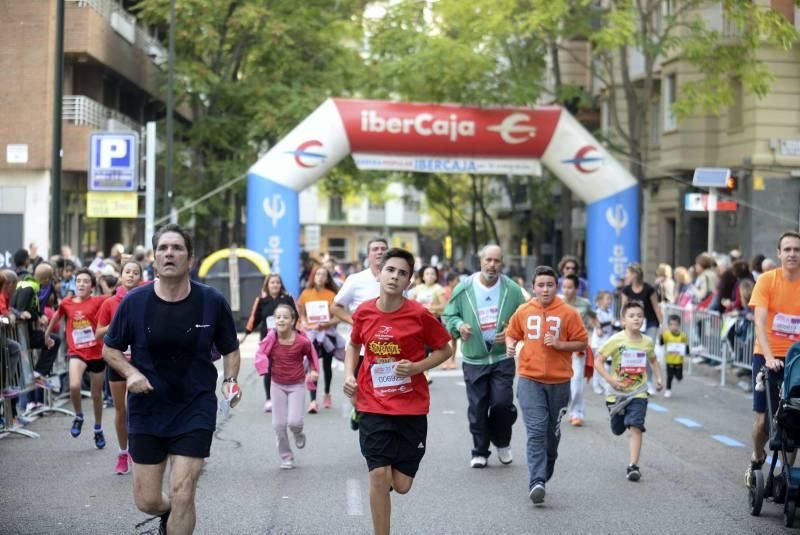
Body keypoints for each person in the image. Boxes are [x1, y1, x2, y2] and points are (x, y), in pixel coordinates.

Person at [102, 224, 240, 535]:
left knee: (183, 491)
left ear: (190, 259)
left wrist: (230, 381)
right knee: (148, 500)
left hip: (195, 405)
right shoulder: (134, 302)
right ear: (154, 258)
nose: (169, 253)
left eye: (177, 248)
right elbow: (109, 349)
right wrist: (131, 372)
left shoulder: (212, 301)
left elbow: (231, 349)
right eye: (163, 248)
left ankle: (178, 514)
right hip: (148, 407)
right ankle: (169, 515)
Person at [342, 247, 452, 535]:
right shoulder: (364, 312)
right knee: (378, 474)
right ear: (379, 273)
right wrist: (348, 375)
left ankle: (389, 477)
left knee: (401, 485)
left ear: (409, 282)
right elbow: (353, 344)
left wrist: (417, 368)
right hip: (372, 403)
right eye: (390, 270)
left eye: (402, 273)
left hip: (411, 407)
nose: (395, 277)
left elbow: (444, 349)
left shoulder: (419, 315)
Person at [504, 266, 588, 505]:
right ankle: (536, 480)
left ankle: (547, 465)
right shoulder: (523, 310)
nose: (545, 289)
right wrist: (510, 345)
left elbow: (582, 342)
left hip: (559, 382)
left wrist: (561, 344)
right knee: (536, 430)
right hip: (529, 379)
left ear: (556, 286)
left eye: (550, 285)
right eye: (540, 285)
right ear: (533, 287)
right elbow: (512, 333)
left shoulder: (568, 313)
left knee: (551, 435)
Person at [442, 245, 526, 468]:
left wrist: (510, 332)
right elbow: (448, 315)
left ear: (502, 263)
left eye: (497, 261)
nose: (492, 265)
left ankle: (503, 442)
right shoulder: (464, 288)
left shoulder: (512, 289)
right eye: (488, 260)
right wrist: (459, 325)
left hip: (502, 358)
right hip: (474, 359)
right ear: (480, 261)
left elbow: (525, 317)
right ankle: (479, 450)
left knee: (502, 404)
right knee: (478, 408)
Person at [744, 231, 800, 488]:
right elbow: (760, 321)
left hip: (796, 358)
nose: (792, 254)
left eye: (796, 250)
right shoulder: (767, 280)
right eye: (787, 249)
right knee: (764, 421)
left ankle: (785, 476)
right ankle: (757, 456)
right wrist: (767, 356)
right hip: (768, 354)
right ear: (778, 253)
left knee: (793, 419)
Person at [594, 300, 664, 482]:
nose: (636, 319)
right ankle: (618, 419)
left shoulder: (647, 342)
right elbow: (598, 361)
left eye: (639, 316)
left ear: (643, 320)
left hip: (638, 391)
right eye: (631, 316)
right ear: (623, 320)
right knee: (618, 429)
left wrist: (658, 378)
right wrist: (610, 379)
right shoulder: (616, 340)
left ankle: (633, 466)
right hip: (616, 393)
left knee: (636, 426)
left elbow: (654, 360)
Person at [43, 269, 109, 448]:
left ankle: (98, 428)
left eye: (86, 281)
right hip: (77, 351)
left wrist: (102, 281)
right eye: (78, 281)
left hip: (96, 352)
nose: (81, 284)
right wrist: (47, 335)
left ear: (92, 287)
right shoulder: (67, 303)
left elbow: (113, 298)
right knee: (74, 385)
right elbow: (56, 317)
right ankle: (78, 416)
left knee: (96, 395)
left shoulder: (97, 301)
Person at [254, 303, 319, 469]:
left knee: (294, 422)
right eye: (278, 317)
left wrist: (313, 371)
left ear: (292, 321)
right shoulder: (271, 339)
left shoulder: (301, 341)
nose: (281, 320)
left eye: (285, 317)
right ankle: (286, 457)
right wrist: (262, 366)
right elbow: (261, 352)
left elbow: (312, 355)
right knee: (278, 425)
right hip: (277, 385)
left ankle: (298, 433)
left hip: (296, 384)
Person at [333, 238, 388, 430]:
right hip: (360, 347)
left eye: (383, 248)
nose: (379, 252)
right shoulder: (356, 280)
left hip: (386, 349)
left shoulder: (395, 280)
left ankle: (375, 432)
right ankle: (357, 409)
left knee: (382, 393)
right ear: (369, 254)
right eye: (375, 249)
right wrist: (354, 322)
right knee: (356, 391)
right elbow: (336, 307)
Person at [95, 260, 143, 475]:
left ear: (140, 278)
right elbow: (98, 333)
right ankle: (123, 453)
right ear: (121, 277)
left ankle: (136, 450)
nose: (131, 275)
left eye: (135, 272)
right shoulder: (109, 303)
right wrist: (116, 326)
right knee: (121, 409)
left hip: (140, 361)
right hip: (116, 360)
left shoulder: (146, 300)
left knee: (132, 408)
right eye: (127, 272)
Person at [242, 274, 296, 412]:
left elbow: (296, 317)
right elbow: (254, 319)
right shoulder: (261, 300)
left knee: (285, 369)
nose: (275, 285)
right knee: (269, 369)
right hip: (268, 340)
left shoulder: (287, 299)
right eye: (272, 283)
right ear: (267, 285)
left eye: (278, 282)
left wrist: (297, 334)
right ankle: (269, 399)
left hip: (285, 340)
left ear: (281, 285)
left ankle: (285, 397)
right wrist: (245, 335)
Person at [297, 266, 341, 412]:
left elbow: (338, 317)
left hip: (327, 334)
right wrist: (303, 322)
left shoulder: (332, 294)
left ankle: (327, 394)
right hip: (311, 335)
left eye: (324, 275)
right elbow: (301, 314)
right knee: (312, 366)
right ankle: (313, 401)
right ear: (313, 277)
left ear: (328, 278)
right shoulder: (306, 294)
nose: (321, 277)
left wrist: (327, 324)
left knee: (327, 366)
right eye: (318, 274)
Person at [560, 274, 598, 426]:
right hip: (560, 349)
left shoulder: (585, 303)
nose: (567, 290)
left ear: (576, 288)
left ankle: (577, 413)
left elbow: (594, 317)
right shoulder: (557, 303)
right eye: (564, 287)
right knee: (564, 382)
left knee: (576, 383)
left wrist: (598, 327)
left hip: (578, 348)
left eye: (570, 287)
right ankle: (566, 408)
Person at [620, 263, 663, 394]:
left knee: (648, 351)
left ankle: (649, 381)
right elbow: (624, 307)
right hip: (634, 325)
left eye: (627, 273)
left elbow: (656, 306)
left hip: (650, 323)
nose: (625, 275)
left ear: (634, 274)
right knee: (635, 352)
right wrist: (623, 321)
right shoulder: (626, 290)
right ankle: (636, 380)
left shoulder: (649, 289)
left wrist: (662, 325)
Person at [409, 265, 447, 376]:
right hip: (419, 322)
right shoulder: (418, 288)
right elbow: (411, 303)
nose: (430, 276)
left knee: (433, 347)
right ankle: (425, 373)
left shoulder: (438, 289)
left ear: (436, 276)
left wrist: (431, 309)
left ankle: (426, 369)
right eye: (427, 274)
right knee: (422, 347)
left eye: (432, 274)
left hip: (434, 322)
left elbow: (443, 306)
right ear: (423, 276)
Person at [590, 290, 615, 395]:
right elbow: (593, 321)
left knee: (607, 364)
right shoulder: (597, 312)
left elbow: (612, 326)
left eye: (610, 299)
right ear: (600, 301)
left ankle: (603, 382)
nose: (609, 301)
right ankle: (596, 384)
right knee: (598, 364)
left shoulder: (610, 312)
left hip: (607, 342)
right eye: (607, 299)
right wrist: (598, 328)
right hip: (598, 343)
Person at [659, 315, 688, 398]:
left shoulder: (682, 335)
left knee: (679, 377)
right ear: (669, 325)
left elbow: (686, 344)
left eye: (675, 325)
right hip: (669, 360)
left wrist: (687, 352)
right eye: (671, 325)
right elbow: (661, 343)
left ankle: (678, 376)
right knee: (669, 376)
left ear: (679, 325)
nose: (673, 327)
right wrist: (660, 336)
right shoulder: (666, 334)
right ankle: (668, 389)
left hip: (679, 360)